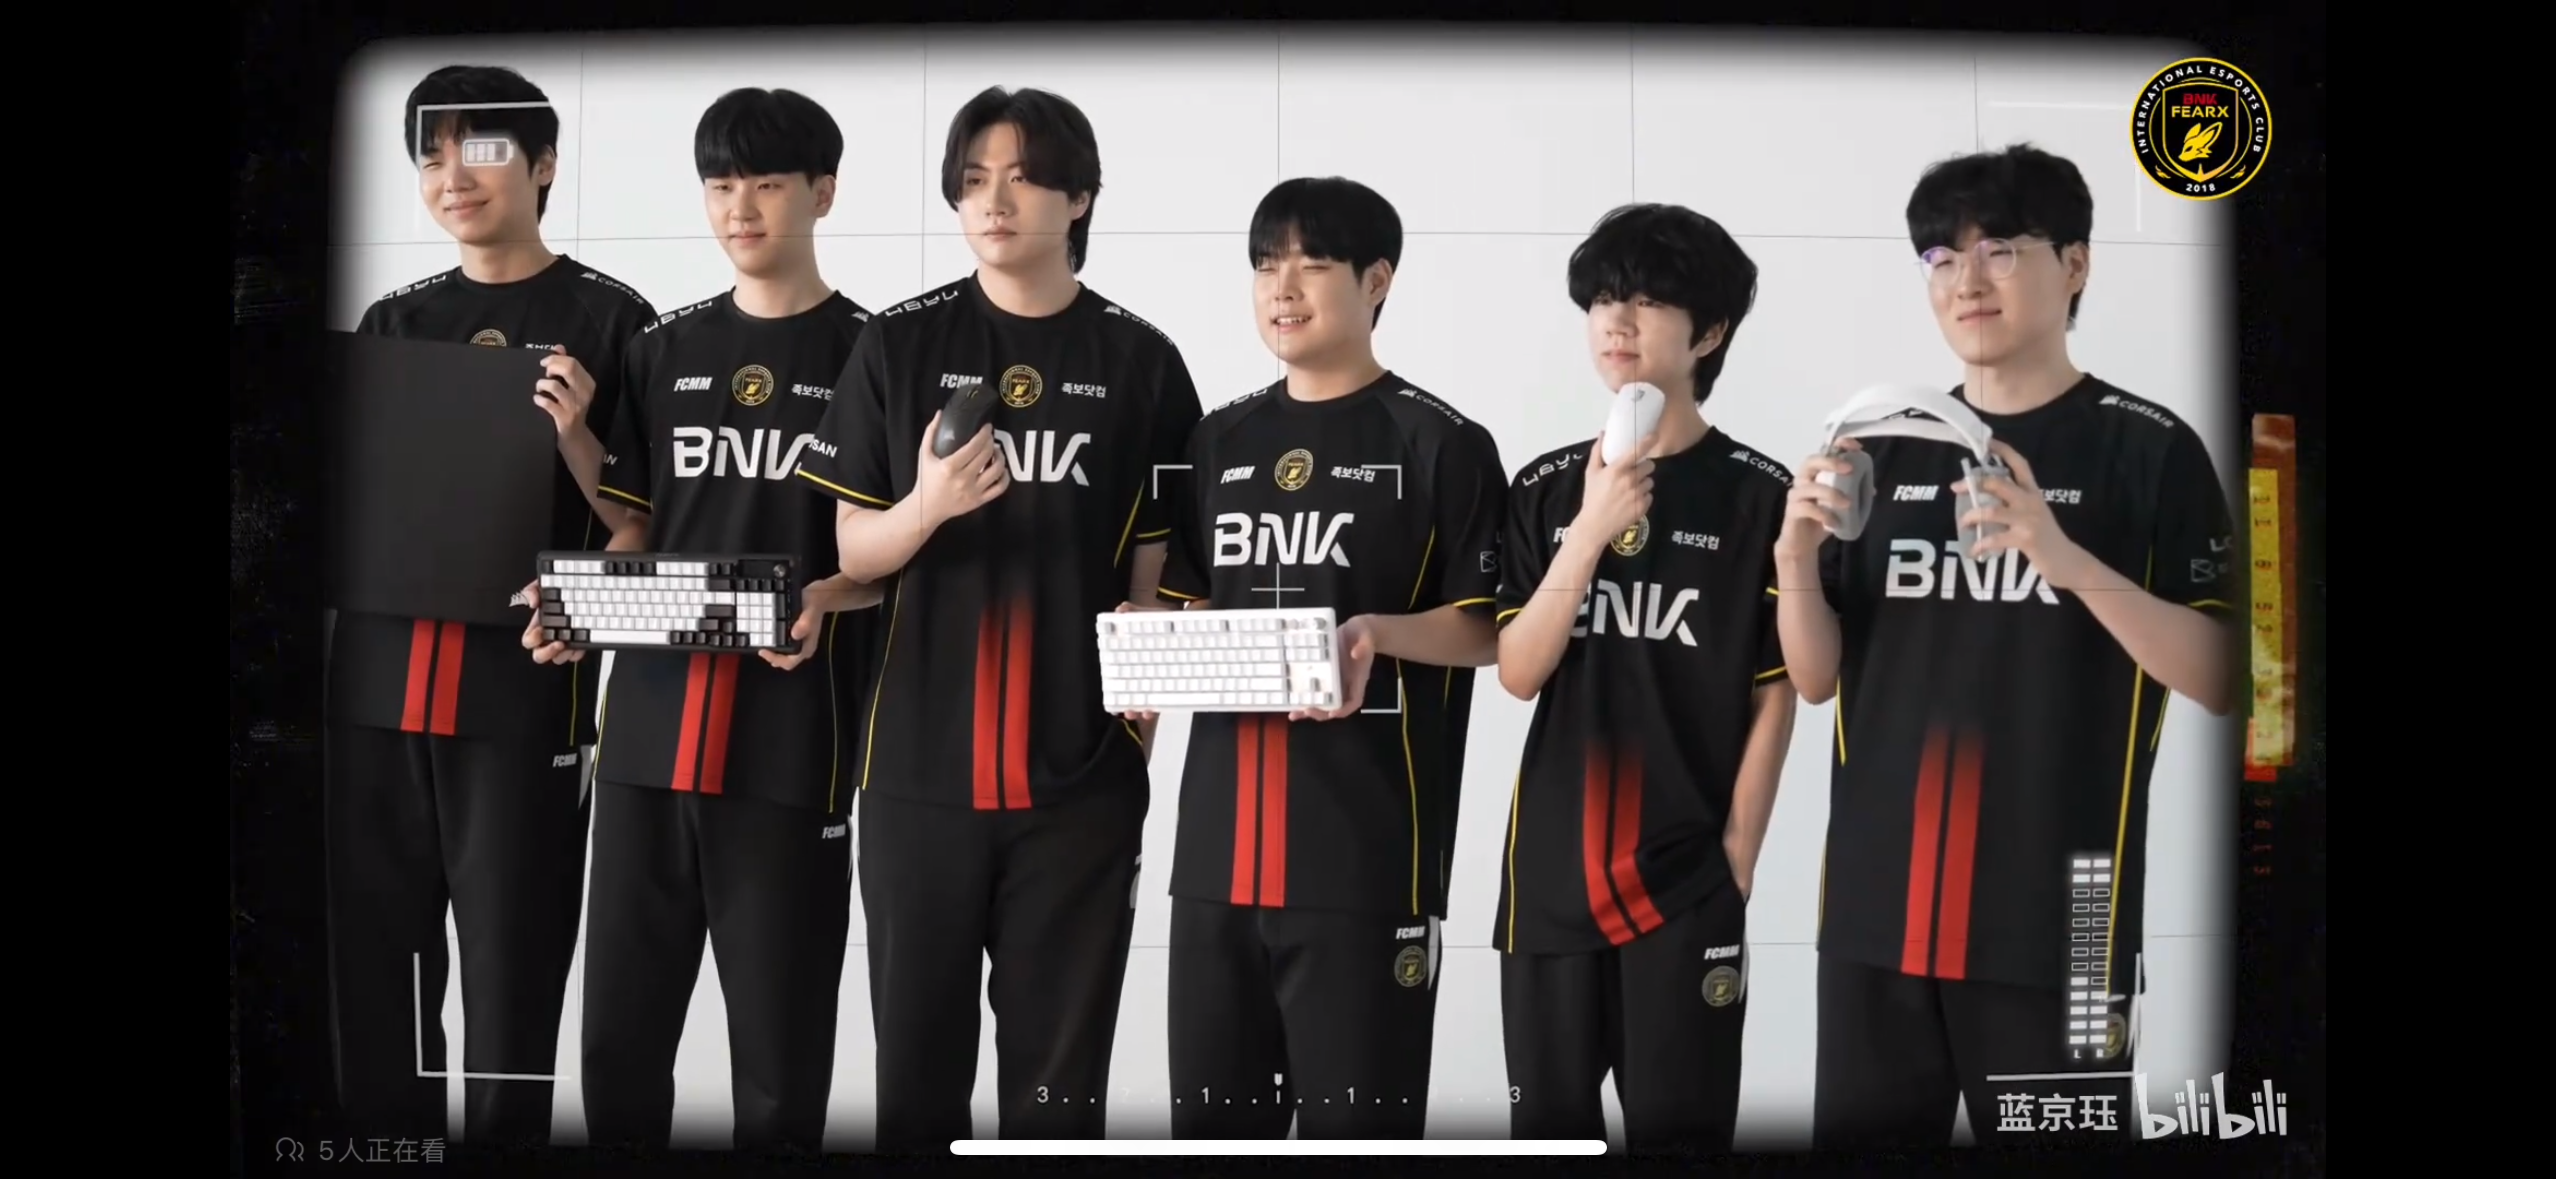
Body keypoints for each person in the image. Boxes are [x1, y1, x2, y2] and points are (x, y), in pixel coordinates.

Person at [1776, 143, 2240, 1150]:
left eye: (1999, 250)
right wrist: (1794, 555)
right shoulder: (1881, 444)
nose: (1966, 281)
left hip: (2067, 930)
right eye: (1941, 258)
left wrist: (2062, 557)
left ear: (2075, 264)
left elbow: (2224, 676)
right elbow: (1815, 679)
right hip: (1875, 919)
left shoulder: (2150, 448)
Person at [789, 86, 1204, 1152]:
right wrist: (929, 504)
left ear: (1081, 197)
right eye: (974, 180)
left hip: (1078, 789)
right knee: (915, 1090)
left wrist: (1138, 726)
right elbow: (853, 549)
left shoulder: (1143, 361)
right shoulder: (897, 343)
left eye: (1022, 178)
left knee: (1057, 1102)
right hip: (917, 779)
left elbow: (1157, 570)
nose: (995, 202)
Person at [523, 87, 880, 1156]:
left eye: (767, 183)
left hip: (791, 748)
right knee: (618, 1051)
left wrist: (825, 598)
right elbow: (636, 528)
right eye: (721, 184)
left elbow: (895, 556)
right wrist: (576, 597)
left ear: (823, 192)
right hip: (645, 744)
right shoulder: (662, 347)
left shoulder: (875, 353)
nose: (741, 207)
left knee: (778, 1065)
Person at [1127, 177, 1505, 1140]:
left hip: (1366, 863)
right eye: (1265, 265)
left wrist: (1375, 633)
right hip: (1214, 867)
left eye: (1311, 264)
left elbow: (1487, 628)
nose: (1282, 288)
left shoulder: (1441, 441)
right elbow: (1189, 609)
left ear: (1377, 280)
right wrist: (1142, 655)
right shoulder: (1216, 440)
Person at [333, 63, 657, 1150]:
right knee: (373, 985)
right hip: (373, 700)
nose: (452, 179)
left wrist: (579, 440)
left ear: (544, 164)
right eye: (430, 157)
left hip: (522, 700)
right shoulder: (394, 320)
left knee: (513, 986)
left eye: (479, 151)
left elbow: (646, 530)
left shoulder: (615, 321)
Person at [1487, 203, 1794, 1153]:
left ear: (1709, 332)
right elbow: (1518, 671)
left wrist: (1739, 855)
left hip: (1687, 884)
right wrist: (1588, 529)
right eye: (1603, 300)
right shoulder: (1544, 488)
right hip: (1547, 889)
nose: (1616, 323)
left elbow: (1776, 688)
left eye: (1650, 301)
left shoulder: (1761, 496)